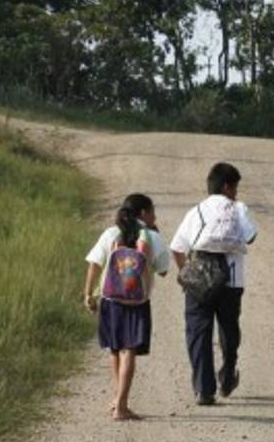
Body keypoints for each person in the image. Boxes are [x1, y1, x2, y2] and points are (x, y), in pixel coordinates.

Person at [169, 162, 258, 406]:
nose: (237, 193)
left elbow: (177, 247)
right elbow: (251, 237)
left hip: (200, 280)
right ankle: (227, 375)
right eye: (236, 188)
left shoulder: (195, 211)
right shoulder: (238, 208)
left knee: (198, 331)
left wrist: (187, 273)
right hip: (232, 279)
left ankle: (204, 390)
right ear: (228, 186)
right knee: (229, 330)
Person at [83, 193, 171, 421]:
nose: (155, 216)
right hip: (137, 301)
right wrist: (154, 241)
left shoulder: (111, 233)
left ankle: (117, 399)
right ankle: (121, 406)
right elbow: (163, 271)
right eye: (152, 212)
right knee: (129, 349)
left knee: (115, 348)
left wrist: (88, 294)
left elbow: (94, 263)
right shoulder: (152, 237)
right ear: (143, 213)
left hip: (110, 299)